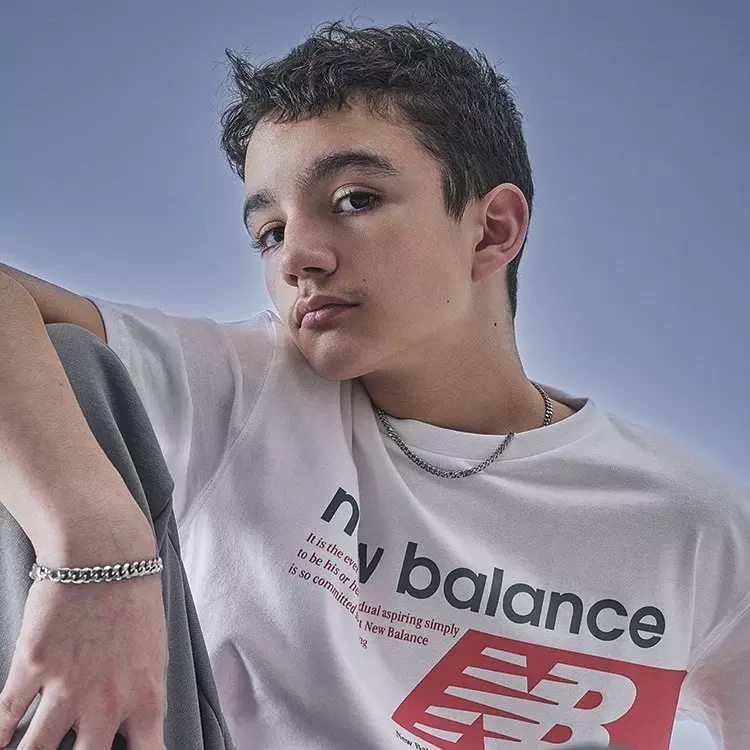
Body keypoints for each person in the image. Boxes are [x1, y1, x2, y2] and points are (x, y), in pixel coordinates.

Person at [0, 19, 748, 750]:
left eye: (354, 199)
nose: (297, 257)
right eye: (269, 232)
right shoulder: (247, 390)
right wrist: (96, 545)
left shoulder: (686, 523)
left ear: (492, 229)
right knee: (60, 375)